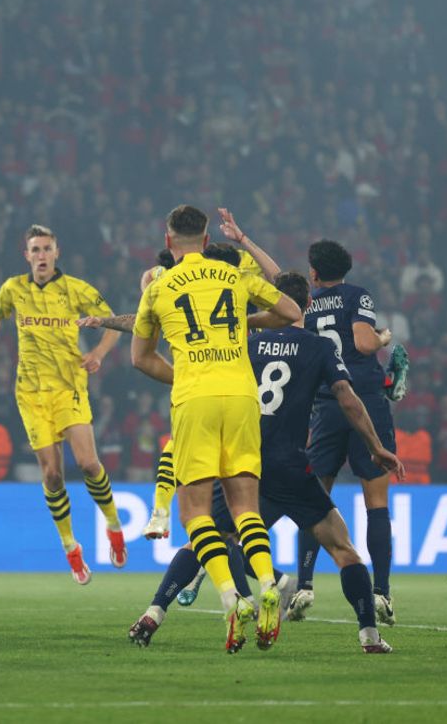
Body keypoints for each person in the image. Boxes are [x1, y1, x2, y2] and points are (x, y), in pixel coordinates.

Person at [131, 272, 404, 653]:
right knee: (344, 550)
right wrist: (376, 446)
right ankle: (370, 637)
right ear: (307, 306)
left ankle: (153, 614)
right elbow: (347, 398)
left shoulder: (245, 343)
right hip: (293, 466)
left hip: (249, 463)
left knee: (205, 538)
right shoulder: (320, 347)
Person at [130, 205, 301, 652]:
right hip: (244, 395)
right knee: (245, 505)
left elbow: (140, 358)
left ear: (169, 242)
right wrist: (246, 324)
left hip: (195, 399)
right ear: (207, 241)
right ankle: (267, 581)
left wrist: (185, 374)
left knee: (195, 512)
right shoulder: (235, 275)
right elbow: (289, 309)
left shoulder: (158, 286)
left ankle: (231, 598)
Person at [0, 224, 126, 584]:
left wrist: (99, 353)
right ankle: (70, 547)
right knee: (53, 475)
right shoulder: (13, 289)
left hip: (69, 387)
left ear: (56, 253)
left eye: (47, 249)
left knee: (89, 463)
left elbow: (114, 322)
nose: (41, 255)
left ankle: (113, 526)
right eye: (35, 249)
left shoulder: (76, 290)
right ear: (26, 255)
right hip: (30, 393)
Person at [293, 240, 403, 625]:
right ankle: (381, 593)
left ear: (314, 273)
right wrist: (385, 337)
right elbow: (363, 341)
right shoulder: (358, 296)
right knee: (376, 501)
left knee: (313, 497)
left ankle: (304, 585)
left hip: (326, 405)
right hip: (366, 402)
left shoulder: (305, 305)